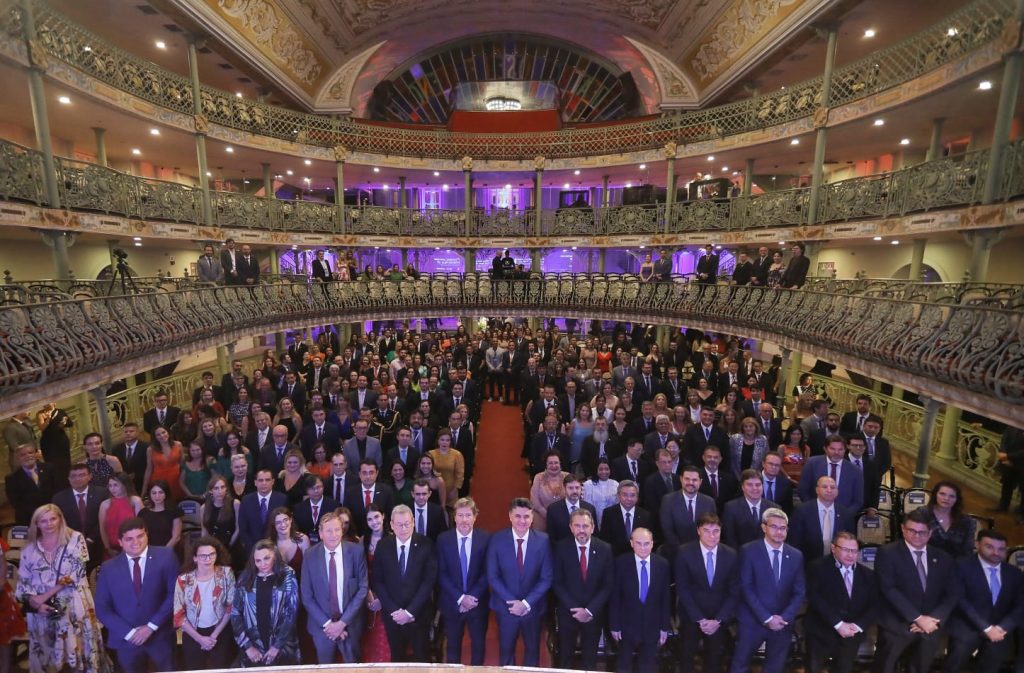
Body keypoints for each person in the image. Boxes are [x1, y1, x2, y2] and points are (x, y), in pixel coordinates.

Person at [15, 504, 109, 673]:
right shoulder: (28, 550)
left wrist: (43, 598)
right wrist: (35, 603)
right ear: (36, 524)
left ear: (60, 519)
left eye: (53, 518)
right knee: (50, 663)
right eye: (43, 521)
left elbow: (76, 575)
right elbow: (23, 586)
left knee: (80, 658)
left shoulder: (75, 539)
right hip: (42, 613)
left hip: (73, 606)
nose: (49, 524)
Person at [872, 508, 961, 673]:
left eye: (922, 532)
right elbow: (888, 589)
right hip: (897, 622)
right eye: (912, 530)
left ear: (930, 533)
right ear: (903, 529)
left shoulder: (943, 558)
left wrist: (933, 619)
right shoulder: (887, 553)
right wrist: (917, 618)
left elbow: (952, 593)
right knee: (884, 666)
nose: (917, 536)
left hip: (931, 625)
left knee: (920, 667)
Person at [94, 518, 179, 673]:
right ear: (120, 542)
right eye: (129, 539)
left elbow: (175, 594)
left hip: (160, 636)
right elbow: (102, 608)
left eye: (140, 536)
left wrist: (151, 627)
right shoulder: (108, 568)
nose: (136, 542)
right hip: (126, 640)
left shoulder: (166, 556)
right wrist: (130, 633)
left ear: (147, 535)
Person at [729, 508, 805, 673]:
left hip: (782, 623)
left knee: (775, 667)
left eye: (783, 528)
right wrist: (766, 618)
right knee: (740, 665)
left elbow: (799, 591)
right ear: (764, 527)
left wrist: (783, 617)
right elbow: (746, 587)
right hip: (752, 620)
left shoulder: (796, 555)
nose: (779, 531)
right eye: (774, 527)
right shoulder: (748, 550)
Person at [486, 497, 553, 667]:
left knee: (532, 651)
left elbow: (546, 578)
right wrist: (514, 603)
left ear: (532, 518)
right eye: (518, 516)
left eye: (526, 516)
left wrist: (526, 603)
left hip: (533, 609)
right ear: (510, 516)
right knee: (506, 651)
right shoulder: (496, 539)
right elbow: (493, 576)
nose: (522, 521)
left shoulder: (543, 540)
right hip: (506, 608)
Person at [945, 529, 1023, 673]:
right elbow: (960, 600)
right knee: (956, 662)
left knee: (991, 664)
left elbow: (1020, 605)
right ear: (977, 544)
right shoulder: (960, 566)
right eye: (989, 547)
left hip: (1000, 628)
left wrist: (1002, 628)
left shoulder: (1014, 573)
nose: (996, 552)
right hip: (968, 624)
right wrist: (986, 628)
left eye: (1001, 549)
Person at [300, 511, 369, 664]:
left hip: (350, 625)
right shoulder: (310, 555)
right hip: (321, 627)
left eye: (337, 529)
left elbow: (362, 589)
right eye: (329, 530)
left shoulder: (356, 551)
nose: (334, 534)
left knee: (354, 668)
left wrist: (342, 623)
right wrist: (329, 625)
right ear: (321, 533)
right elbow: (306, 596)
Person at [370, 505, 437, 662]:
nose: (404, 528)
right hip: (393, 616)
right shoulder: (383, 545)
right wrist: (395, 611)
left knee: (422, 658)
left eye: (407, 523)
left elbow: (428, 582)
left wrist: (409, 612)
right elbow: (378, 581)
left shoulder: (426, 544)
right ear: (392, 525)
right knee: (397, 657)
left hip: (418, 615)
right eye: (399, 524)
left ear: (413, 522)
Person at [805, 532, 878, 673]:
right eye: (846, 550)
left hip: (851, 635)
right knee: (813, 668)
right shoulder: (816, 567)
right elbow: (815, 598)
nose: (851, 555)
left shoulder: (868, 574)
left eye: (854, 551)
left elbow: (875, 605)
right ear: (833, 548)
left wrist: (857, 626)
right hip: (821, 632)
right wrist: (838, 624)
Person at [674, 513, 739, 673]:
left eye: (716, 531)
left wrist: (718, 620)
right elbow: (683, 588)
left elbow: (734, 591)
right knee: (686, 659)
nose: (712, 535)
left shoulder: (731, 554)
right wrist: (700, 619)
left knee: (714, 661)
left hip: (718, 618)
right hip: (691, 616)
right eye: (707, 530)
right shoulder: (684, 552)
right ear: (698, 531)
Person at [552, 508, 612, 670]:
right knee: (565, 656)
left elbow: (607, 585)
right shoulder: (561, 547)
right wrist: (575, 609)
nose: (581, 530)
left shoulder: (605, 549)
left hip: (593, 614)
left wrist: (590, 610)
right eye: (577, 526)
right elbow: (557, 582)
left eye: (585, 526)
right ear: (571, 527)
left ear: (592, 527)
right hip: (568, 612)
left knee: (590, 658)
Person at [436, 497, 491, 665]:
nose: (464, 520)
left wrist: (471, 597)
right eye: (460, 515)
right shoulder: (443, 539)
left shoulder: (486, 538)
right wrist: (460, 598)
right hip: (452, 603)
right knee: (452, 647)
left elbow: (488, 572)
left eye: (468, 515)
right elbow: (441, 573)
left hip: (478, 603)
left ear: (475, 517)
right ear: (454, 517)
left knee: (479, 647)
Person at [609, 527, 671, 673]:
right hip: (626, 626)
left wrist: (664, 627)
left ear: (652, 544)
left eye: (646, 543)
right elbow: (615, 597)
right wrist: (614, 625)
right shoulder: (620, 563)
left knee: (648, 666)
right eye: (638, 543)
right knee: (624, 665)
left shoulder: (662, 564)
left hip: (652, 625)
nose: (643, 547)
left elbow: (666, 598)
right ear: (631, 543)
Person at [232, 540, 299, 666]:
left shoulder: (287, 574)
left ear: (275, 556)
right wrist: (247, 647)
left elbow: (292, 612)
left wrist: (277, 646)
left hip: (282, 645)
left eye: (266, 558)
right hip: (253, 645)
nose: (263, 564)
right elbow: (235, 613)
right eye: (258, 560)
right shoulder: (245, 577)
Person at [173, 537, 236, 669]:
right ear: (195, 558)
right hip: (193, 632)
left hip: (220, 630)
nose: (208, 559)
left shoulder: (226, 573)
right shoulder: (183, 580)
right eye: (203, 556)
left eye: (212, 554)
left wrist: (214, 635)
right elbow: (179, 616)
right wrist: (199, 639)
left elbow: (231, 607)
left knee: (222, 668)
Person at [52, 462, 109, 570]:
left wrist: (90, 539)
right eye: (73, 476)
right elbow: (59, 523)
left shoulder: (102, 493)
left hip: (97, 544)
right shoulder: (59, 498)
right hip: (70, 545)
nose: (77, 479)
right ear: (68, 479)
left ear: (89, 476)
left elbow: (104, 519)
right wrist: (76, 540)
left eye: (82, 475)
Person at [788, 476, 856, 564]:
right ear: (817, 490)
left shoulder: (845, 513)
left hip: (836, 565)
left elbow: (850, 541)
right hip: (808, 564)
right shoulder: (802, 511)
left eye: (832, 487)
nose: (829, 490)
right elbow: (794, 541)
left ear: (837, 491)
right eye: (824, 487)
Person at [798, 434, 865, 512]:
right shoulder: (812, 463)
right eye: (832, 449)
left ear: (845, 450)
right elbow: (803, 491)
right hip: (814, 513)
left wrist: (845, 515)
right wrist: (814, 510)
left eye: (840, 449)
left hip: (843, 517)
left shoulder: (856, 471)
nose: (836, 452)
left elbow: (858, 501)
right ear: (825, 449)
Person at [360, 504, 391, 663]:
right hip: (368, 594)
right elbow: (361, 571)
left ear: (384, 516)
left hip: (388, 595)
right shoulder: (363, 540)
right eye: (369, 519)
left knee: (383, 637)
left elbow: (395, 575)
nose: (374, 521)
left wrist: (381, 599)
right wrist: (369, 595)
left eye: (376, 517)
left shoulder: (393, 538)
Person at [661, 465, 717, 549]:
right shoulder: (668, 501)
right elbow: (667, 531)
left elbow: (711, 528)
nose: (690, 483)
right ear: (681, 479)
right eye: (687, 479)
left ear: (700, 482)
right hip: (676, 551)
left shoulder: (709, 502)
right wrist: (682, 551)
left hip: (702, 551)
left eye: (694, 480)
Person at [238, 470, 288, 554]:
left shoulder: (282, 499)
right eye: (260, 480)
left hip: (276, 548)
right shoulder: (246, 500)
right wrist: (253, 548)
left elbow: (284, 525)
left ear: (273, 481)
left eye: (267, 480)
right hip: (252, 549)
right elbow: (243, 528)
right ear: (255, 482)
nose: (264, 483)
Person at [924, 480, 977, 558]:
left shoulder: (966, 521)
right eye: (942, 494)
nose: (946, 498)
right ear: (935, 495)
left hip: (955, 564)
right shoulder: (923, 514)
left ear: (957, 499)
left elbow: (968, 551)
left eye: (951, 496)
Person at [5, 444, 56, 526]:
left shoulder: (49, 468)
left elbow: (57, 489)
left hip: (52, 513)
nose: (27, 456)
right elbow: (16, 502)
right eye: (22, 455)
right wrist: (39, 513)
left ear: (36, 454)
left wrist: (50, 509)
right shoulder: (12, 478)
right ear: (18, 459)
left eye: (30, 453)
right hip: (29, 519)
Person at [599, 480, 652, 556]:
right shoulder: (609, 513)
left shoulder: (645, 515)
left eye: (632, 495)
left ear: (637, 497)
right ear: (618, 495)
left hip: (638, 557)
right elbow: (604, 541)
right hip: (615, 558)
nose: (629, 498)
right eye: (625, 495)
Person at [98, 473, 144, 558]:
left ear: (125, 485)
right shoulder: (105, 504)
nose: (112, 489)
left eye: (116, 485)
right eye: (110, 486)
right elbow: (102, 528)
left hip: (133, 547)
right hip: (112, 549)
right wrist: (107, 548)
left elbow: (141, 526)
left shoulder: (135, 501)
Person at [545, 473, 597, 544]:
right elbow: (551, 537)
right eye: (570, 488)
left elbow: (595, 535)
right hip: (562, 551)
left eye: (577, 487)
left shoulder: (590, 508)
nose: (574, 491)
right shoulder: (553, 510)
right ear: (564, 489)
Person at [200, 475, 240, 560]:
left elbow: (238, 529)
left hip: (231, 546)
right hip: (212, 548)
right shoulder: (204, 508)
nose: (220, 491)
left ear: (226, 489)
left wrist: (228, 546)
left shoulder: (235, 504)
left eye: (222, 487)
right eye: (216, 488)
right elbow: (204, 530)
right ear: (211, 491)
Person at [529, 451, 568, 532]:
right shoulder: (538, 477)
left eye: (556, 463)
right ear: (546, 464)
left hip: (564, 517)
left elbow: (573, 496)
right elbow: (534, 500)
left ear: (560, 464)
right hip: (542, 515)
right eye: (550, 463)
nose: (553, 466)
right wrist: (548, 515)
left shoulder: (567, 476)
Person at [138, 480, 183, 551]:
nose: (157, 496)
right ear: (149, 494)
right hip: (148, 551)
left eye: (160, 492)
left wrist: (162, 552)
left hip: (168, 551)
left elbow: (176, 537)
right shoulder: (143, 513)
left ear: (166, 494)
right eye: (154, 493)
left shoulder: (174, 511)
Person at [144, 426, 184, 501]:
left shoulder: (178, 444)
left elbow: (183, 464)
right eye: (158, 434)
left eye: (163, 432)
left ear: (168, 432)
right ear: (155, 437)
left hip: (176, 479)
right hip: (158, 481)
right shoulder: (150, 449)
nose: (162, 436)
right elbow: (149, 469)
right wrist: (144, 490)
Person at [267, 507, 309, 576]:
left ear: (291, 520)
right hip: (279, 584)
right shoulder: (269, 543)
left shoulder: (303, 539)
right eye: (278, 522)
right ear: (274, 525)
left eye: (285, 520)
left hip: (301, 581)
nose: (283, 525)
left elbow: (308, 567)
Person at [582, 458, 618, 528]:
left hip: (611, 520)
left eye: (607, 469)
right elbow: (586, 506)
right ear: (596, 470)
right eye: (601, 469)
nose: (604, 472)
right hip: (592, 519)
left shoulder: (615, 484)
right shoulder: (588, 484)